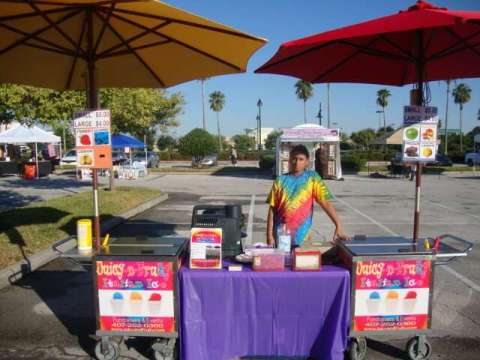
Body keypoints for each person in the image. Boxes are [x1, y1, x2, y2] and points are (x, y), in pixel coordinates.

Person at [266, 144, 349, 247]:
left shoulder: (312, 178)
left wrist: (338, 225)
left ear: (307, 162)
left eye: (301, 159)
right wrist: (269, 235)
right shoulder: (280, 180)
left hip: (303, 237)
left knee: (301, 262)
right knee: (283, 262)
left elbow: (325, 203)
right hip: (282, 236)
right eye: (294, 159)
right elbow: (272, 209)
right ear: (289, 160)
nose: (297, 162)